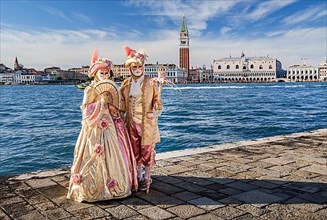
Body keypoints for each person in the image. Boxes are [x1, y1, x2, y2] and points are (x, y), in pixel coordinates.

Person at [67, 49, 138, 202]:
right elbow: (85, 111)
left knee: (116, 152)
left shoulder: (113, 87)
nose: (105, 76)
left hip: (111, 125)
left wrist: (113, 106)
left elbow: (117, 108)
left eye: (107, 73)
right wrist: (100, 103)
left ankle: (117, 182)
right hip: (94, 127)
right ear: (96, 74)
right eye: (102, 73)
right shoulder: (90, 89)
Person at [120, 46, 163, 193]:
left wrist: (157, 104)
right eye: (135, 67)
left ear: (143, 66)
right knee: (134, 151)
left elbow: (157, 100)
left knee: (146, 151)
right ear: (130, 68)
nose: (137, 69)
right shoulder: (126, 84)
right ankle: (137, 177)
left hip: (146, 124)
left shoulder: (150, 82)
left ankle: (146, 178)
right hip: (130, 123)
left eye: (140, 66)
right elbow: (121, 103)